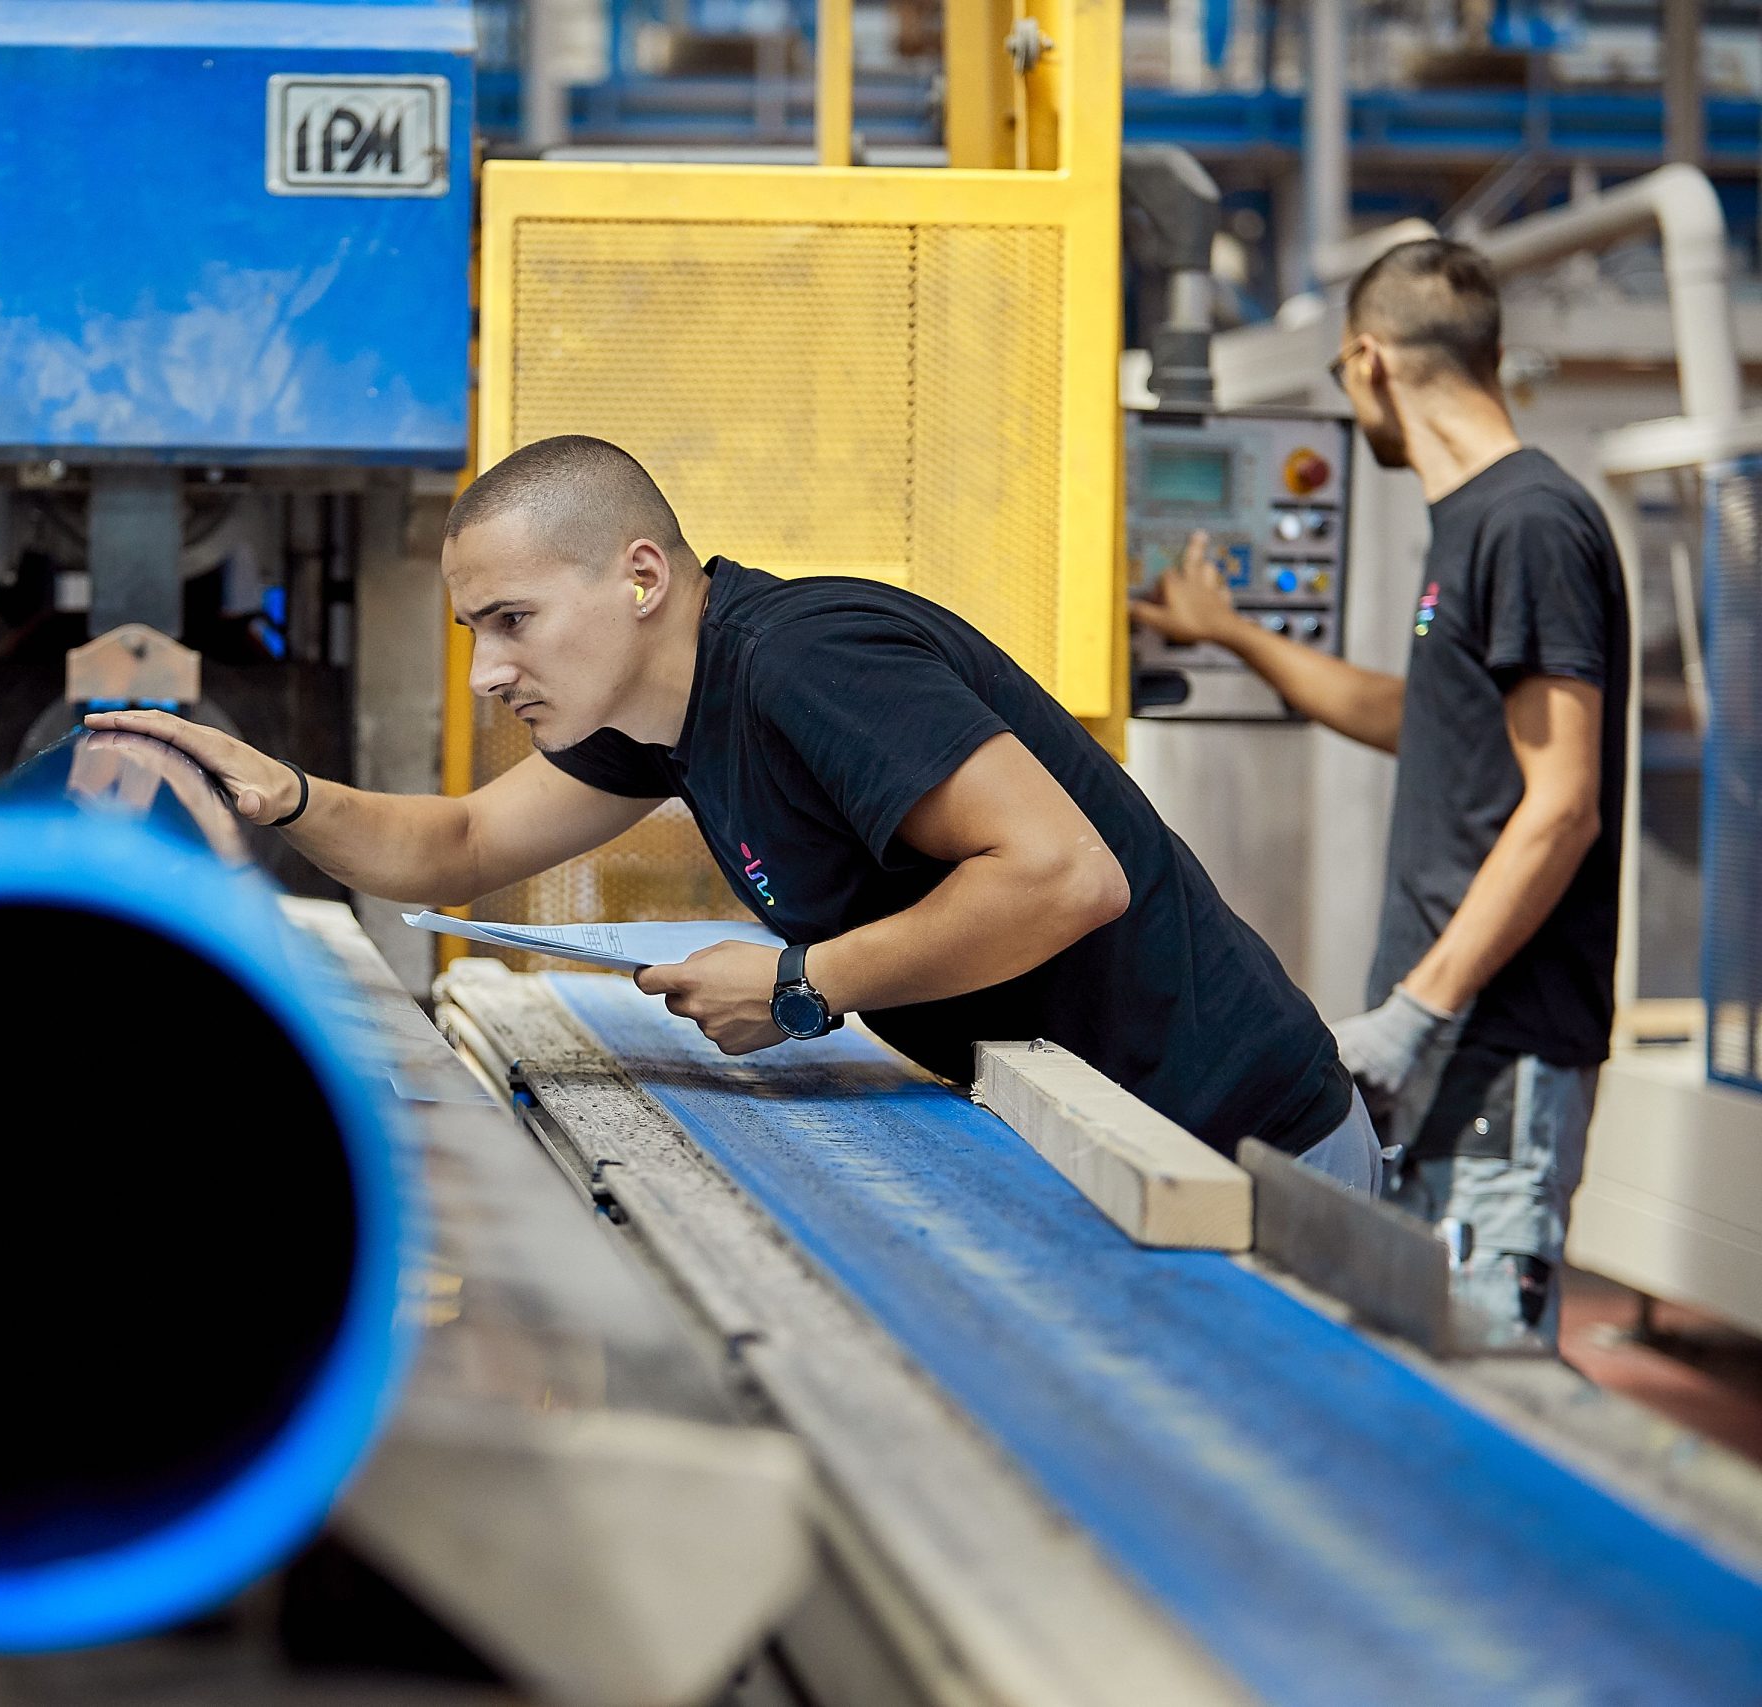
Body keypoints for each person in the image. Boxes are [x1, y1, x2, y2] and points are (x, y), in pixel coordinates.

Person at [93, 434, 1376, 1184]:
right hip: (1087, 1135)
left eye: (512, 622)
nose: (488, 671)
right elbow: (463, 846)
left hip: (1236, 1151)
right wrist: (285, 794)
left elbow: (1061, 876)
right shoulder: (666, 718)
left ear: (640, 576)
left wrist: (804, 983)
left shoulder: (807, 660)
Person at [1132, 239, 1626, 1340]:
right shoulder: (1474, 524)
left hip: (1494, 1049)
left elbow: (1562, 803)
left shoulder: (1528, 523)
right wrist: (1231, 634)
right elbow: (1425, 722)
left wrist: (1415, 1012)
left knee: (1488, 1363)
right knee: (1418, 1346)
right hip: (1452, 1042)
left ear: (1366, 360)